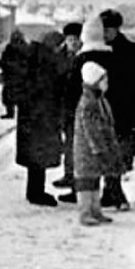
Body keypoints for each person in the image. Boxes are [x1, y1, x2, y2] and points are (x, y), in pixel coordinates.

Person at [99, 8, 135, 211]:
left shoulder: (131, 50)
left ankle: (116, 193)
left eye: (109, 29)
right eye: (103, 29)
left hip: (122, 109)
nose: (105, 33)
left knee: (117, 153)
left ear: (117, 29)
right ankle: (110, 193)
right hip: (101, 108)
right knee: (105, 152)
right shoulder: (97, 50)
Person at [72, 33, 121, 226]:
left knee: (94, 181)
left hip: (95, 149)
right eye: (103, 80)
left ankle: (95, 210)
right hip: (88, 150)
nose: (106, 84)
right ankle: (85, 212)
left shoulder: (98, 100)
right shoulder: (88, 104)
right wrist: (97, 147)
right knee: (86, 183)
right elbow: (90, 129)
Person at [16, 32, 64, 206]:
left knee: (35, 158)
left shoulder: (33, 55)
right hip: (41, 116)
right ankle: (36, 193)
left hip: (31, 116)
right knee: (39, 157)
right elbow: (48, 89)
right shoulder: (46, 61)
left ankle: (34, 191)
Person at [52, 21, 84, 203]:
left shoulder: (85, 56)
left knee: (78, 148)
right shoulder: (59, 56)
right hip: (64, 109)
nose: (73, 42)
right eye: (70, 39)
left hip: (80, 108)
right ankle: (69, 176)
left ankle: (77, 186)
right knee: (69, 145)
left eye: (76, 39)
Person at [0, 30, 29, 119]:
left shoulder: (20, 48)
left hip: (15, 76)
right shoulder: (22, 47)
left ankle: (12, 113)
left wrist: (4, 64)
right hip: (15, 76)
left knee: (11, 96)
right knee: (11, 96)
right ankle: (13, 113)